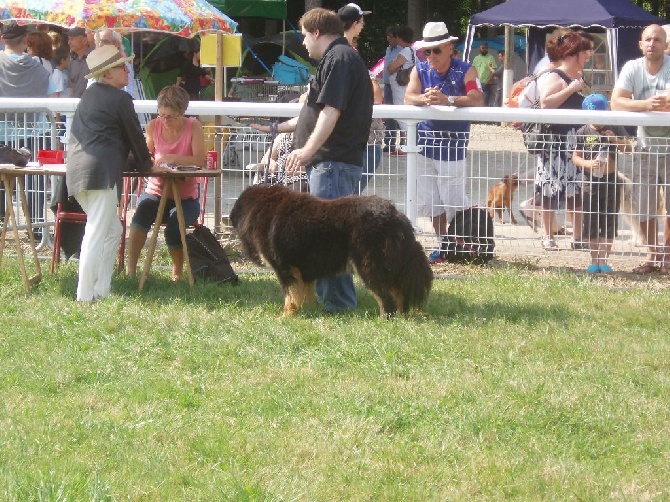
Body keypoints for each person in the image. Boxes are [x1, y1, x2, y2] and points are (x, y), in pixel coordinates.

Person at [271, 7, 373, 313]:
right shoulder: (337, 58)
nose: (303, 42)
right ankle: (334, 301)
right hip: (331, 163)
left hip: (333, 163)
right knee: (329, 236)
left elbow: (331, 111)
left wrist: (306, 150)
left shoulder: (340, 59)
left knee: (330, 237)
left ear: (316, 32)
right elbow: (316, 111)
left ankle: (339, 304)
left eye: (303, 35)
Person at [66, 45, 153, 301]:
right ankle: (84, 297)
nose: (127, 70)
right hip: (100, 174)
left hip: (78, 174)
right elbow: (136, 138)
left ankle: (101, 291)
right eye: (121, 66)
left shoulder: (89, 95)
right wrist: (149, 167)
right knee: (95, 232)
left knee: (111, 231)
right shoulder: (120, 98)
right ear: (106, 74)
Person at [404, 21, 483, 260]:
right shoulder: (419, 70)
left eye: (436, 50)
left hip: (453, 146)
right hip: (425, 145)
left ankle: (466, 241)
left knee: (454, 200)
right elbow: (409, 96)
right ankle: (445, 244)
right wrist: (423, 99)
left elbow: (477, 98)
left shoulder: (467, 70)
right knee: (431, 201)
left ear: (450, 47)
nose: (430, 56)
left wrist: (448, 100)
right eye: (426, 51)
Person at [126, 85, 206, 281]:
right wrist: (155, 164)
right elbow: (146, 157)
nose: (165, 121)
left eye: (171, 116)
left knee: (174, 226)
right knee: (139, 218)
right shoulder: (154, 126)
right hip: (156, 190)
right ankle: (131, 269)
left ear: (183, 113)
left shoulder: (193, 126)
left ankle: (177, 272)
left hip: (186, 196)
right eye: (161, 115)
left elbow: (199, 160)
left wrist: (172, 157)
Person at [612, 24, 670, 274]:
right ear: (640, 44)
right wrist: (646, 104)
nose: (652, 44)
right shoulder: (632, 68)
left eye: (657, 40)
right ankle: (652, 254)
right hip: (644, 147)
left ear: (665, 45)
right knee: (643, 204)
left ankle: (667, 255)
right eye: (648, 39)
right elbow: (616, 102)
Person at [533, 30, 593, 251]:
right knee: (549, 189)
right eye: (584, 52)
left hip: (575, 141)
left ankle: (577, 236)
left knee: (575, 190)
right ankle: (547, 235)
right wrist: (571, 89)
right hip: (554, 142)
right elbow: (546, 103)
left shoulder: (578, 76)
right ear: (572, 53)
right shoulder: (554, 75)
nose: (588, 56)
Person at [0, 22, 50, 237]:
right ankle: (37, 227)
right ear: (25, 40)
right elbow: (50, 92)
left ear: (3, 39)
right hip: (34, 130)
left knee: (2, 179)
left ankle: (1, 224)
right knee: (35, 180)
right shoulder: (40, 65)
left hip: (3, 131)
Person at [573, 93, 632, 274]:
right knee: (591, 220)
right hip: (590, 182)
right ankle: (594, 259)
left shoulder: (614, 127)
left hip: (611, 181)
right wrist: (588, 164)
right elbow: (576, 157)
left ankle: (604, 259)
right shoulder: (583, 131)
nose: (598, 122)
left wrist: (615, 139)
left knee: (609, 219)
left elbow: (628, 148)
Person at [386, 25, 415, 152]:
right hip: (405, 87)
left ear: (400, 38)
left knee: (402, 115)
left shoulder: (405, 51)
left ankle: (406, 145)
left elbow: (391, 68)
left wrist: (393, 64)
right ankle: (404, 144)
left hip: (400, 88)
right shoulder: (412, 51)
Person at [94, 29, 139, 99]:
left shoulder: (125, 66)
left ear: (116, 44)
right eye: (98, 42)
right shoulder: (95, 65)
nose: (100, 45)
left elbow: (131, 96)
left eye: (105, 42)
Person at [382, 26, 401, 152]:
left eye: (390, 36)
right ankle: (389, 142)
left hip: (396, 86)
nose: (388, 39)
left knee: (397, 115)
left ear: (396, 38)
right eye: (387, 36)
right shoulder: (388, 49)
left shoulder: (401, 51)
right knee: (388, 115)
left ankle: (395, 143)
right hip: (387, 85)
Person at [66, 27, 90, 98]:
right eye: (68, 39)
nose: (69, 42)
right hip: (75, 104)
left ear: (85, 40)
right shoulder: (72, 61)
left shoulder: (93, 58)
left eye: (72, 39)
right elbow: (71, 88)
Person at [472, 42, 496, 106]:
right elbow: (473, 70)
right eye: (483, 48)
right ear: (480, 49)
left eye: (486, 48)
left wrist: (487, 82)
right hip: (477, 83)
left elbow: (493, 72)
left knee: (485, 103)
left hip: (486, 84)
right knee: (476, 102)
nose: (484, 49)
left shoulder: (491, 58)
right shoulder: (476, 58)